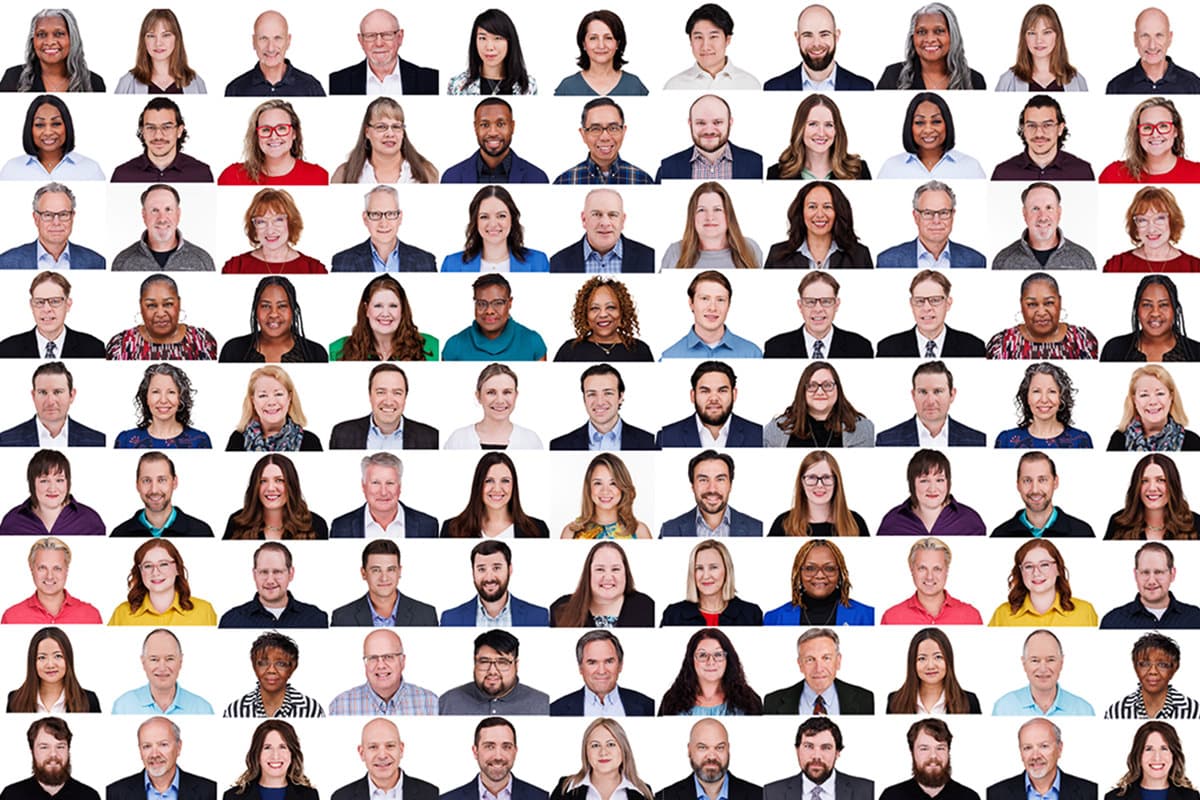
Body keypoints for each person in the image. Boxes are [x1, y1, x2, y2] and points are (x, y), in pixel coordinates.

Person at [985, 272, 1098, 359]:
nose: (1041, 313)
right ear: (1021, 304)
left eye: (1049, 303)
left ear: (1060, 302)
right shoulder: (1001, 344)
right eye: (1032, 304)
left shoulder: (1082, 340)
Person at [105, 274, 218, 360]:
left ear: (179, 303)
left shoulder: (202, 341)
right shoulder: (121, 345)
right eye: (151, 305)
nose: (160, 314)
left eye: (168, 304)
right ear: (141, 306)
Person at [987, 539, 1098, 626]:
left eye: (1044, 564)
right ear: (1021, 572)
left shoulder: (1085, 611)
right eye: (1029, 566)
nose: (1036, 573)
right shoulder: (1002, 614)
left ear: (1058, 569)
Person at [763, 628, 874, 714]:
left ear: (838, 661)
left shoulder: (866, 699)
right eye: (810, 660)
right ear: (800, 664)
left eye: (826, 658)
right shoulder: (772, 703)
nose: (819, 668)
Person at [328, 364, 440, 450]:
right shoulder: (342, 434)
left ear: (405, 397)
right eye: (381, 392)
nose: (388, 401)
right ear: (370, 395)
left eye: (397, 393)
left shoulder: (431, 438)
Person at [764, 5, 875, 90]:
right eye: (807, 35)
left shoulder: (864, 87)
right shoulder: (773, 88)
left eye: (824, 34)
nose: (816, 44)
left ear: (836, 36)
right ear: (797, 38)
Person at [218, 100, 329, 186]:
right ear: (257, 136)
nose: (274, 136)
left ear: (294, 133)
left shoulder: (319, 177)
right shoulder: (232, 177)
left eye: (281, 128)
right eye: (266, 129)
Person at [875, 182, 986, 268]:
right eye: (928, 213)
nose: (936, 221)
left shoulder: (976, 261)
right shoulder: (887, 261)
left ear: (953, 215)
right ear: (916, 216)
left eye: (944, 213)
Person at [328, 9, 439, 95]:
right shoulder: (336, 83)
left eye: (387, 35)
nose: (379, 43)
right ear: (360, 40)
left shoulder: (432, 81)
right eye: (370, 36)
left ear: (400, 37)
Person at [877, 270, 985, 357]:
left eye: (935, 300)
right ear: (911, 304)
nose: (927, 308)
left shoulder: (973, 347)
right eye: (919, 301)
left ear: (948, 303)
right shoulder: (888, 348)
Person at [763, 540, 873, 625]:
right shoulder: (774, 618)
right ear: (798, 573)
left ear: (839, 573)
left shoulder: (868, 616)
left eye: (829, 568)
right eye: (810, 568)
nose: (820, 575)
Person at [218, 542, 327, 628]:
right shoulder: (231, 621)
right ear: (254, 575)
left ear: (291, 573)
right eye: (264, 572)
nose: (270, 580)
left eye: (277, 572)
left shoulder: (316, 619)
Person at [439, 630, 550, 714]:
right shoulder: (448, 702)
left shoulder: (543, 704)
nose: (492, 671)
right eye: (484, 662)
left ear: (516, 665)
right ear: (474, 662)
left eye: (502, 662)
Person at [328, 629, 439, 714]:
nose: (381, 665)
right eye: (373, 658)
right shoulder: (340, 706)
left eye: (388, 657)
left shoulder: (431, 704)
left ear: (402, 661)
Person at [878, 449, 987, 535]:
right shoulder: (892, 522)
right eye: (924, 481)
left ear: (948, 482)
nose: (932, 489)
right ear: (912, 483)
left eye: (939, 480)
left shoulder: (970, 521)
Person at [876, 361, 985, 446]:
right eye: (923, 392)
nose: (930, 401)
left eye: (938, 391)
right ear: (913, 395)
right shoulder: (886, 440)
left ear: (952, 395)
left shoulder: (978, 440)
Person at [441, 540, 549, 626]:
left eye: (497, 568)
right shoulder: (450, 619)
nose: (489, 578)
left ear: (510, 569)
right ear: (473, 572)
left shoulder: (538, 616)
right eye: (481, 569)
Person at [441, 452, 549, 538]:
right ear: (478, 485)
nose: (497, 489)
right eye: (489, 481)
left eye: (505, 481)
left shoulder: (538, 530)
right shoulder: (451, 529)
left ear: (514, 485)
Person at [330, 452, 438, 539]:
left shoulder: (428, 526)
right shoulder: (340, 527)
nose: (383, 492)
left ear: (399, 486)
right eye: (375, 483)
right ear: (364, 486)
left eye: (390, 483)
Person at [106, 717, 218, 800]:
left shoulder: (210, 792)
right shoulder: (114, 793)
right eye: (147, 746)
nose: (154, 754)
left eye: (163, 744)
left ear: (178, 747)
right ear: (140, 751)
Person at [329, 275, 437, 361]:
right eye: (378, 306)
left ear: (403, 309)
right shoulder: (336, 350)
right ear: (366, 309)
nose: (385, 313)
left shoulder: (432, 345)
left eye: (393, 306)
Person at [765, 364, 875, 449]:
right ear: (802, 391)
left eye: (827, 385)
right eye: (812, 386)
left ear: (838, 389)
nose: (820, 392)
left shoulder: (863, 429)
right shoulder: (776, 430)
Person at [108, 540, 216, 625]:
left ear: (178, 568)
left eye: (163, 564)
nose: (155, 572)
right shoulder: (121, 613)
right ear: (140, 571)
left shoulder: (204, 611)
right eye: (148, 566)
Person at [219, 277, 327, 363]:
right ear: (255, 310)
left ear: (293, 310)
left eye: (282, 306)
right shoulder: (233, 350)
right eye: (265, 306)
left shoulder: (315, 353)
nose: (274, 314)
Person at [877, 93, 985, 179]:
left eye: (936, 121)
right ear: (909, 127)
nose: (928, 130)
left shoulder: (971, 167)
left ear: (947, 124)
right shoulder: (891, 168)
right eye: (919, 122)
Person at [656, 94, 763, 181]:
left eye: (718, 122)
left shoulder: (756, 164)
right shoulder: (667, 168)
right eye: (701, 123)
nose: (709, 131)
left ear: (730, 123)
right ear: (690, 123)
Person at [765, 183, 873, 268]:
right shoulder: (777, 254)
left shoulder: (860, 255)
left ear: (838, 212)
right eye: (812, 207)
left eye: (827, 207)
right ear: (801, 212)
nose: (820, 214)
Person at [656, 361, 763, 447]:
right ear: (693, 396)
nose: (714, 398)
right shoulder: (666, 437)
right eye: (705, 391)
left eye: (722, 390)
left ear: (734, 394)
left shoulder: (759, 435)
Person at [986, 719, 1099, 800]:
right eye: (1027, 748)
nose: (1035, 756)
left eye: (1044, 746)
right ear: (1021, 752)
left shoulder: (1091, 793)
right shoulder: (994, 795)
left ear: (1059, 749)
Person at [764, 717, 874, 800]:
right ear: (797, 750)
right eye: (808, 746)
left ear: (837, 752)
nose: (816, 756)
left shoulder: (868, 792)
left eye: (826, 747)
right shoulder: (771, 794)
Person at [332, 98, 438, 184]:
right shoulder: (343, 174)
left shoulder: (427, 172)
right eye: (381, 127)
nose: (390, 134)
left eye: (396, 127)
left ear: (403, 132)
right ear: (367, 132)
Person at [331, 540, 437, 627]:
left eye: (391, 569)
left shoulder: (426, 615)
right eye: (376, 570)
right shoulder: (342, 618)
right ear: (363, 573)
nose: (384, 578)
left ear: (399, 572)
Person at [874, 3, 986, 85]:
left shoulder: (975, 80)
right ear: (913, 37)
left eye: (939, 31)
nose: (930, 39)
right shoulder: (893, 75)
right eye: (922, 32)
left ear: (952, 36)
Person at [550, 364, 656, 450]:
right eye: (592, 394)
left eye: (608, 393)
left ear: (620, 396)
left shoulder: (650, 443)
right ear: (584, 399)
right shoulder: (558, 446)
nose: (600, 402)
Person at [0, 272, 104, 359]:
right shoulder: (7, 349)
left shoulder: (94, 348)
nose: (46, 309)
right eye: (40, 302)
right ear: (31, 305)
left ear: (68, 304)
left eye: (55, 301)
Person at [0, 182, 105, 269]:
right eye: (48, 215)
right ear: (36, 218)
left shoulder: (96, 262)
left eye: (63, 214)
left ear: (72, 217)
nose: (56, 222)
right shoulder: (6, 263)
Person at [441, 98, 548, 184]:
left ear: (512, 127)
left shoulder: (537, 178)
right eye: (484, 125)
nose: (493, 133)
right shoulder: (451, 177)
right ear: (475, 128)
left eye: (500, 124)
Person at [442, 189, 550, 272]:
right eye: (484, 217)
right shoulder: (451, 264)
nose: (493, 224)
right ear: (476, 222)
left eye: (501, 216)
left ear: (512, 219)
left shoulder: (539, 262)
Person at [222, 454, 329, 539]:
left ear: (292, 485)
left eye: (279, 480)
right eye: (263, 481)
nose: (271, 488)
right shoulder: (237, 522)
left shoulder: (315, 524)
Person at [548, 189, 656, 273]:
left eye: (613, 215)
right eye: (596, 214)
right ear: (584, 219)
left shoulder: (650, 258)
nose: (605, 223)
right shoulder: (557, 263)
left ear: (622, 221)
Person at [658, 628, 762, 715]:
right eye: (702, 655)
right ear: (691, 660)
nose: (711, 661)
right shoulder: (672, 700)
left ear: (728, 659)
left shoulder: (750, 701)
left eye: (718, 655)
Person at [992, 183, 1096, 269]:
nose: (1043, 217)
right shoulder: (1003, 260)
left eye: (1049, 207)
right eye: (1035, 209)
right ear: (1024, 213)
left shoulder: (1084, 259)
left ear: (1059, 212)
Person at [990, 629, 1095, 715]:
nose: (1043, 669)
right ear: (1024, 663)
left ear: (1061, 662)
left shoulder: (1084, 710)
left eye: (1051, 660)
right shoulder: (1003, 708)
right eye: (1035, 660)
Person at [111, 185, 215, 271]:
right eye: (154, 210)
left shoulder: (202, 260)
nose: (162, 219)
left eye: (168, 209)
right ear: (144, 215)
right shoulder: (122, 262)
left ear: (178, 214)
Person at [0, 449, 104, 535]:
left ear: (68, 482)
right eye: (44, 481)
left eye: (59, 480)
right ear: (32, 483)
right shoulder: (12, 522)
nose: (52, 488)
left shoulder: (90, 521)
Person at [0, 361, 105, 447]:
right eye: (43, 392)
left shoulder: (98, 441)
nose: (50, 401)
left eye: (58, 392)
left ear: (71, 395)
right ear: (33, 395)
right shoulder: (5, 441)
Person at [332, 186, 437, 271]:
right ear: (365, 218)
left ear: (400, 218)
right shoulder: (342, 262)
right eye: (375, 214)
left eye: (390, 214)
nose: (383, 223)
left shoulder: (426, 261)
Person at [550, 541, 654, 627]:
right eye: (600, 569)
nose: (608, 577)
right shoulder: (560, 609)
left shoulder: (647, 607)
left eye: (615, 569)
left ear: (625, 573)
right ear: (588, 573)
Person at [551, 630, 656, 715]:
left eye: (609, 661)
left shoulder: (649, 706)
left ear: (620, 665)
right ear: (580, 668)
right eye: (592, 662)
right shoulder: (555, 710)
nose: (601, 671)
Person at [991, 452, 1095, 537]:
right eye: (1027, 480)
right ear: (1018, 485)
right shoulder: (999, 534)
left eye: (1043, 480)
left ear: (1055, 482)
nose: (1035, 490)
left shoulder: (1082, 532)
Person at [660, 450, 762, 537]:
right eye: (703, 480)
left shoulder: (757, 530)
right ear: (693, 486)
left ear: (730, 485)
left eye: (720, 479)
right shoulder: (669, 530)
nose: (712, 489)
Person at [767, 95, 871, 180]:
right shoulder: (775, 174)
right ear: (800, 128)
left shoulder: (859, 170)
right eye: (813, 124)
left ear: (837, 130)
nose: (821, 133)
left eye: (828, 125)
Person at [991, 95, 1095, 180]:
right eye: (1031, 125)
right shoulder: (1003, 173)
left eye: (1047, 125)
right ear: (1023, 129)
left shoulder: (1082, 171)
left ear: (1060, 128)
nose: (1039, 133)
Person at [0, 96, 104, 181]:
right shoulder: (11, 170)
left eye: (56, 124)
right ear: (30, 129)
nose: (48, 132)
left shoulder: (91, 169)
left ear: (67, 126)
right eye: (40, 125)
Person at [223, 189, 327, 274]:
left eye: (278, 220)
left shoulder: (314, 269)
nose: (270, 230)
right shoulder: (235, 267)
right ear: (254, 227)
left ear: (291, 223)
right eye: (261, 221)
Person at [110, 452, 215, 536]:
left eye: (162, 480)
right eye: (146, 481)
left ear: (174, 482)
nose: (154, 490)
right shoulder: (119, 534)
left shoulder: (201, 532)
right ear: (137, 485)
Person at [110, 630, 215, 714]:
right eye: (154, 659)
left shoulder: (202, 709)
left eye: (169, 659)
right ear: (143, 662)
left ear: (180, 661)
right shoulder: (123, 707)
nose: (162, 668)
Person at [553, 98, 654, 185]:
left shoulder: (643, 180)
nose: (605, 137)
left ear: (623, 131)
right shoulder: (564, 181)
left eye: (613, 128)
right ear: (583, 134)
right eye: (595, 129)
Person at [1, 537, 101, 624]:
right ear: (31, 569)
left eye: (57, 568)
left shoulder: (91, 615)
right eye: (42, 568)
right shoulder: (11, 617)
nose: (49, 576)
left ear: (66, 570)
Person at [330, 719, 439, 800]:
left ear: (401, 750)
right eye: (373, 747)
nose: (382, 755)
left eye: (390, 746)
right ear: (362, 753)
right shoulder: (341, 797)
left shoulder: (431, 794)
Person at [881, 538, 983, 624]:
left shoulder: (971, 617)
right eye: (922, 568)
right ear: (911, 569)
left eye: (937, 569)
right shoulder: (891, 618)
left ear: (947, 570)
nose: (929, 576)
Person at [111, 98, 214, 182]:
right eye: (151, 127)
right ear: (142, 131)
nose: (158, 136)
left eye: (166, 127)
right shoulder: (122, 175)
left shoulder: (201, 174)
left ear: (179, 130)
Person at [660, 541, 762, 625]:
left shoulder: (751, 613)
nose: (706, 576)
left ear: (727, 570)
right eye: (699, 568)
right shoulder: (673, 614)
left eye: (713, 567)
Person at [662, 275, 762, 361]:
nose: (713, 308)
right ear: (691, 303)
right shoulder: (669, 357)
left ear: (729, 305)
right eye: (704, 298)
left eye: (720, 300)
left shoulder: (753, 354)